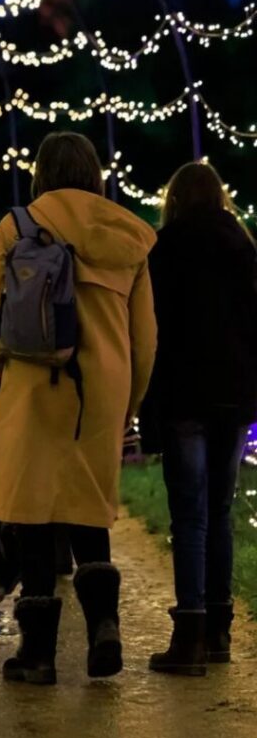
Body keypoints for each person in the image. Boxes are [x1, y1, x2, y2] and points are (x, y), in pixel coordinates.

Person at [0, 131, 157, 685]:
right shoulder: (128, 236)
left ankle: (38, 654)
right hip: (100, 392)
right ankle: (105, 627)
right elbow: (145, 337)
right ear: (95, 173)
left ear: (41, 173)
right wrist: (128, 400)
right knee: (88, 509)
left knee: (33, 515)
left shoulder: (17, 226)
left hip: (32, 382)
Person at [146, 162, 257, 675]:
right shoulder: (244, 247)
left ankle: (188, 635)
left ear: (174, 200)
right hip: (234, 399)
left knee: (189, 516)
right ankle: (219, 633)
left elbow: (153, 335)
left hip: (185, 398)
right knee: (220, 512)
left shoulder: (164, 250)